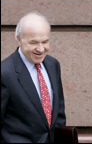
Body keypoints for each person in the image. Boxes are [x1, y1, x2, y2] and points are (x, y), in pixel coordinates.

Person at [1, 12, 66, 143]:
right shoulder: (4, 73)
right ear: (19, 39)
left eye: (45, 41)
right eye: (34, 42)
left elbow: (59, 114)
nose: (41, 49)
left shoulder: (53, 65)